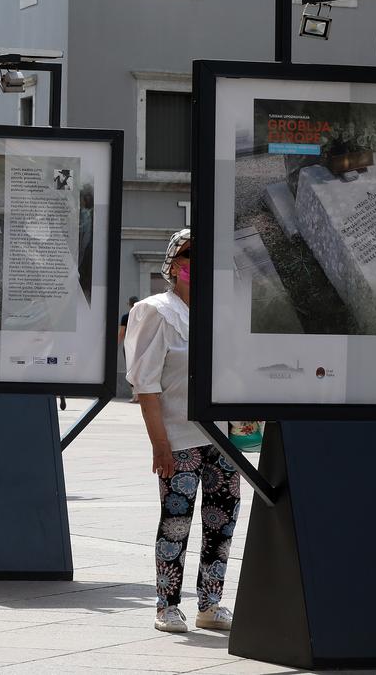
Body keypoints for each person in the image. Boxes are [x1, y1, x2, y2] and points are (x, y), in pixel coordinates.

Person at [124, 229, 240, 634]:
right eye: (188, 256)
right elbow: (146, 385)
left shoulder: (222, 310)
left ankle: (211, 603)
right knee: (176, 523)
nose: (196, 264)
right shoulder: (156, 311)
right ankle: (167, 604)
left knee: (221, 522)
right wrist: (160, 447)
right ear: (173, 264)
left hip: (224, 439)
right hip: (180, 437)